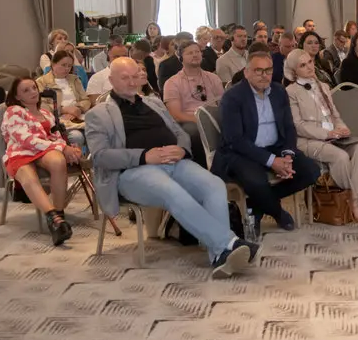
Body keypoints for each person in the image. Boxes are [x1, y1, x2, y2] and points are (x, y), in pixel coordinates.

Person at [86, 58, 257, 278]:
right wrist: (143, 156)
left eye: (135, 76)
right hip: (133, 172)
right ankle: (229, 243)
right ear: (111, 80)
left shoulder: (153, 103)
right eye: (124, 78)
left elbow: (179, 132)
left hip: (174, 162)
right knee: (172, 190)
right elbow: (100, 157)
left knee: (214, 185)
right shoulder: (98, 114)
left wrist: (182, 149)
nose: (131, 82)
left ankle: (219, 255)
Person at [213, 51, 322, 232]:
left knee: (311, 171)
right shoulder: (232, 97)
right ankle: (278, 212)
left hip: (275, 147)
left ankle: (256, 205)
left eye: (268, 70)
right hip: (242, 152)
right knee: (256, 182)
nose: (264, 75)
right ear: (247, 72)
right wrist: (272, 162)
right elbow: (235, 140)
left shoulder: (279, 91)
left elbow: (288, 127)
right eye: (258, 70)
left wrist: (287, 155)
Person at [284, 50, 358, 224]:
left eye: (310, 62)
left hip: (333, 137)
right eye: (303, 65)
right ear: (294, 71)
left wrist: (342, 128)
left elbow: (335, 115)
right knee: (341, 157)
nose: (309, 67)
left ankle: (353, 198)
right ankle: (353, 204)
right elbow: (298, 125)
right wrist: (327, 134)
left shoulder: (323, 86)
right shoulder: (290, 91)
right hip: (308, 141)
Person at [1, 77, 84, 246]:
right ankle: (54, 219)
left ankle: (59, 214)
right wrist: (61, 147)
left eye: (34, 87)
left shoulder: (46, 113)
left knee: (58, 161)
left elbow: (55, 136)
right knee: (28, 175)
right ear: (17, 96)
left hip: (43, 150)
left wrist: (69, 148)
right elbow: (26, 140)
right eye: (26, 90)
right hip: (20, 152)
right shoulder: (13, 111)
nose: (33, 92)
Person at [161, 41, 224, 164]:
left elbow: (222, 104)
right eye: (190, 53)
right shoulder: (172, 82)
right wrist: (202, 120)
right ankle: (205, 166)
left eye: (197, 52)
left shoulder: (213, 78)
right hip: (189, 121)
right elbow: (176, 115)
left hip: (213, 117)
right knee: (196, 131)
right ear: (181, 58)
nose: (195, 55)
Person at [35, 50, 94, 148]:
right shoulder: (41, 82)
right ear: (53, 64)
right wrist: (63, 110)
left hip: (78, 116)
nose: (67, 69)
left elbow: (86, 100)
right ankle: (74, 157)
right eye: (63, 65)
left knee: (99, 130)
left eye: (69, 66)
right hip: (57, 121)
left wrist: (78, 109)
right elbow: (41, 106)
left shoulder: (75, 79)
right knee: (77, 137)